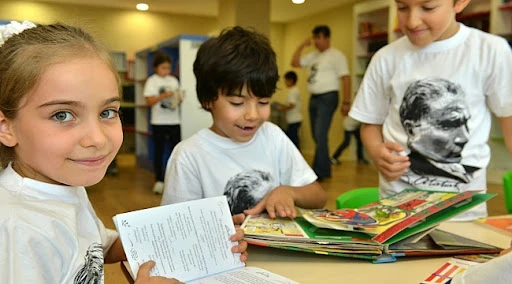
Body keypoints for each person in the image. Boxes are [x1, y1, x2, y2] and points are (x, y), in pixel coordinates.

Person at [0, 21, 247, 284]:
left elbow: (99, 248)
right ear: (6, 127)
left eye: (107, 112)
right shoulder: (16, 230)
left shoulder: (62, 185)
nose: (97, 138)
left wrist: (196, 233)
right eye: (62, 115)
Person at [349, 0, 512, 221]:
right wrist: (377, 151)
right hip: (397, 214)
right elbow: (370, 123)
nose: (413, 21)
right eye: (403, 8)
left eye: (428, 8)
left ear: (460, 2)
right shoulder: (386, 58)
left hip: (464, 215)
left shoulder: (490, 51)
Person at [160, 26, 327, 218]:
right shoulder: (188, 156)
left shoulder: (273, 136)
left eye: (263, 102)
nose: (253, 115)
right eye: (237, 103)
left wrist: (289, 192)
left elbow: (318, 195)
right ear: (207, 100)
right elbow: (175, 227)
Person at [291, 25, 351, 181]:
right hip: (314, 98)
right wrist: (302, 46)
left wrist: (346, 102)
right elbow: (295, 63)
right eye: (315, 37)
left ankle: (319, 171)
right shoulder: (313, 56)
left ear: (327, 38)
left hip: (328, 97)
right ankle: (323, 168)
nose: (316, 41)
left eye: (319, 37)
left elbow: (345, 78)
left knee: (320, 133)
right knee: (316, 135)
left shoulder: (337, 56)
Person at [143, 51, 183, 194]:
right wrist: (163, 95)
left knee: (177, 151)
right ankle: (159, 181)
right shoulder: (152, 81)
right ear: (156, 68)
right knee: (159, 152)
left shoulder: (173, 80)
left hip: (174, 121)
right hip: (159, 122)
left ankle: (176, 181)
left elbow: (179, 99)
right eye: (163, 68)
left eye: (168, 68)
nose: (167, 71)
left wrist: (179, 97)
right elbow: (149, 101)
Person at [276, 71, 302, 150]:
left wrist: (281, 108)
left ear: (290, 80)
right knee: (293, 138)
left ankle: (297, 158)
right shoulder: (295, 90)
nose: (285, 82)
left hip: (294, 120)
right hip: (295, 119)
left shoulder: (293, 91)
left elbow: (292, 105)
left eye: (286, 80)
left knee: (293, 140)